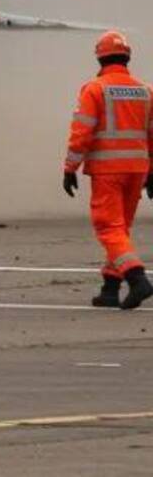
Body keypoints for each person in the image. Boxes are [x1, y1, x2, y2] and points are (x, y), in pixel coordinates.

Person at [61, 30, 153, 310]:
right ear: (127, 57)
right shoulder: (145, 90)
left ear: (99, 58)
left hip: (108, 171)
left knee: (108, 227)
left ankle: (137, 279)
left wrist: (70, 167)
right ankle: (110, 289)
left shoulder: (94, 89)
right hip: (137, 169)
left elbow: (81, 133)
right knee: (120, 228)